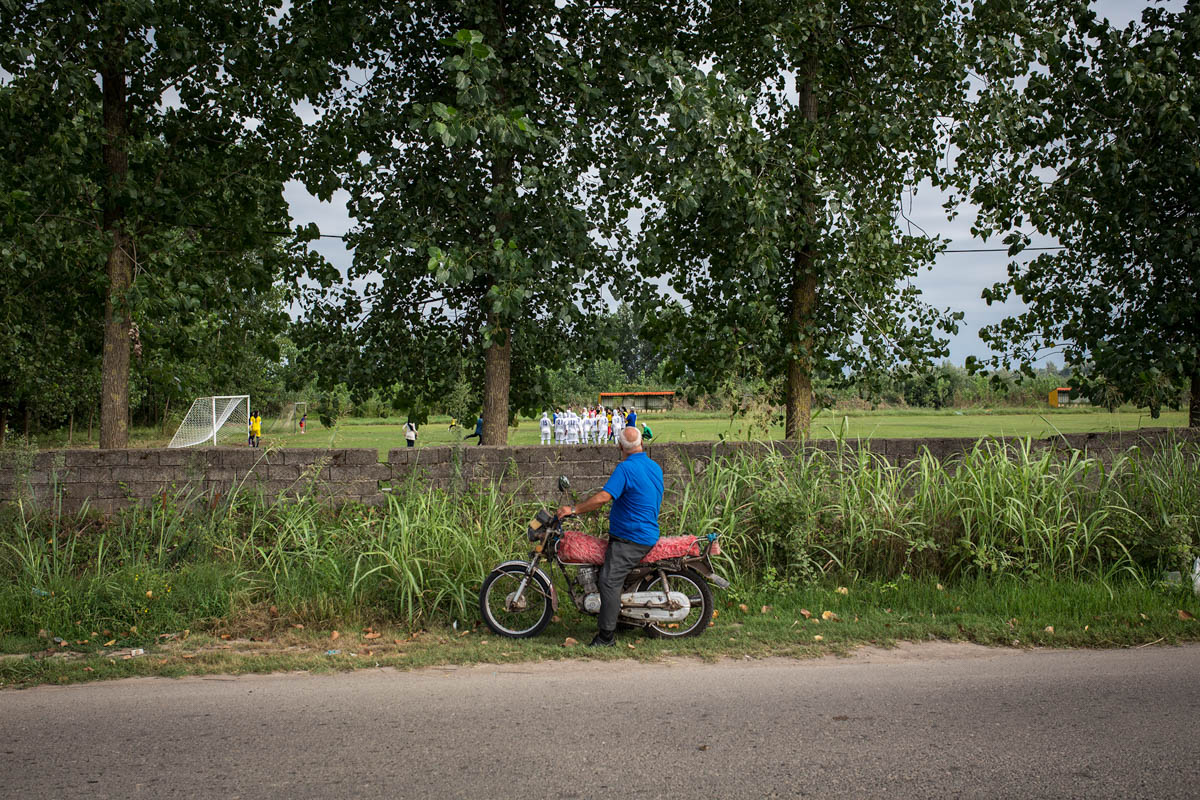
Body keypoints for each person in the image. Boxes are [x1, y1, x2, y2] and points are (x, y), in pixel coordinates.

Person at [558, 426, 663, 647]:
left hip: (632, 538)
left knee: (608, 580)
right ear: (641, 444)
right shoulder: (654, 467)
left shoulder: (625, 469)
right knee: (614, 576)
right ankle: (622, 618)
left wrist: (574, 509)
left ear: (620, 447)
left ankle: (606, 637)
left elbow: (604, 497)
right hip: (643, 533)